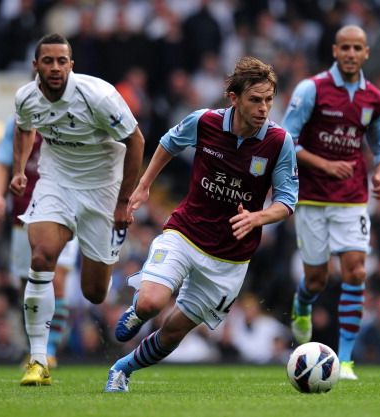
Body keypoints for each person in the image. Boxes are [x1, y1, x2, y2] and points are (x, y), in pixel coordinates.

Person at [103, 56, 299, 393]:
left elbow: (287, 201)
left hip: (230, 258)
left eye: (269, 99)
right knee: (152, 303)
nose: (264, 107)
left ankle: (123, 368)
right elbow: (168, 143)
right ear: (233, 98)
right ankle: (138, 310)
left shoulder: (279, 142)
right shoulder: (204, 122)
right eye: (255, 99)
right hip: (186, 233)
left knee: (174, 331)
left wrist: (257, 216)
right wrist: (145, 184)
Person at [10, 33, 144, 386]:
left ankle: (121, 276)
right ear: (36, 65)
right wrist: (20, 170)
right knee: (41, 257)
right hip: (56, 182)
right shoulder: (26, 97)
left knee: (94, 292)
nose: (55, 67)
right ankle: (38, 360)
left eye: (61, 61)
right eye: (48, 61)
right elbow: (24, 130)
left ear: (71, 65)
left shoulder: (97, 96)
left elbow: (136, 140)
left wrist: (122, 201)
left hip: (103, 190)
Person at [282, 25, 380, 381]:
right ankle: (302, 304)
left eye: (357, 47)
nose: (350, 53)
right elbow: (286, 141)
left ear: (366, 53)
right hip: (313, 198)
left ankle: (345, 361)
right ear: (334, 50)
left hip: (352, 199)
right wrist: (326, 163)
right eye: (344, 47)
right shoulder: (311, 89)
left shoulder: (373, 98)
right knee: (316, 280)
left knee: (356, 271)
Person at [0, 117, 79, 369]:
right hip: (23, 212)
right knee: (27, 284)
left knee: (57, 279)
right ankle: (35, 348)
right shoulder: (17, 123)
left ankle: (48, 351)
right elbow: (1, 161)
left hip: (64, 210)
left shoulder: (74, 115)